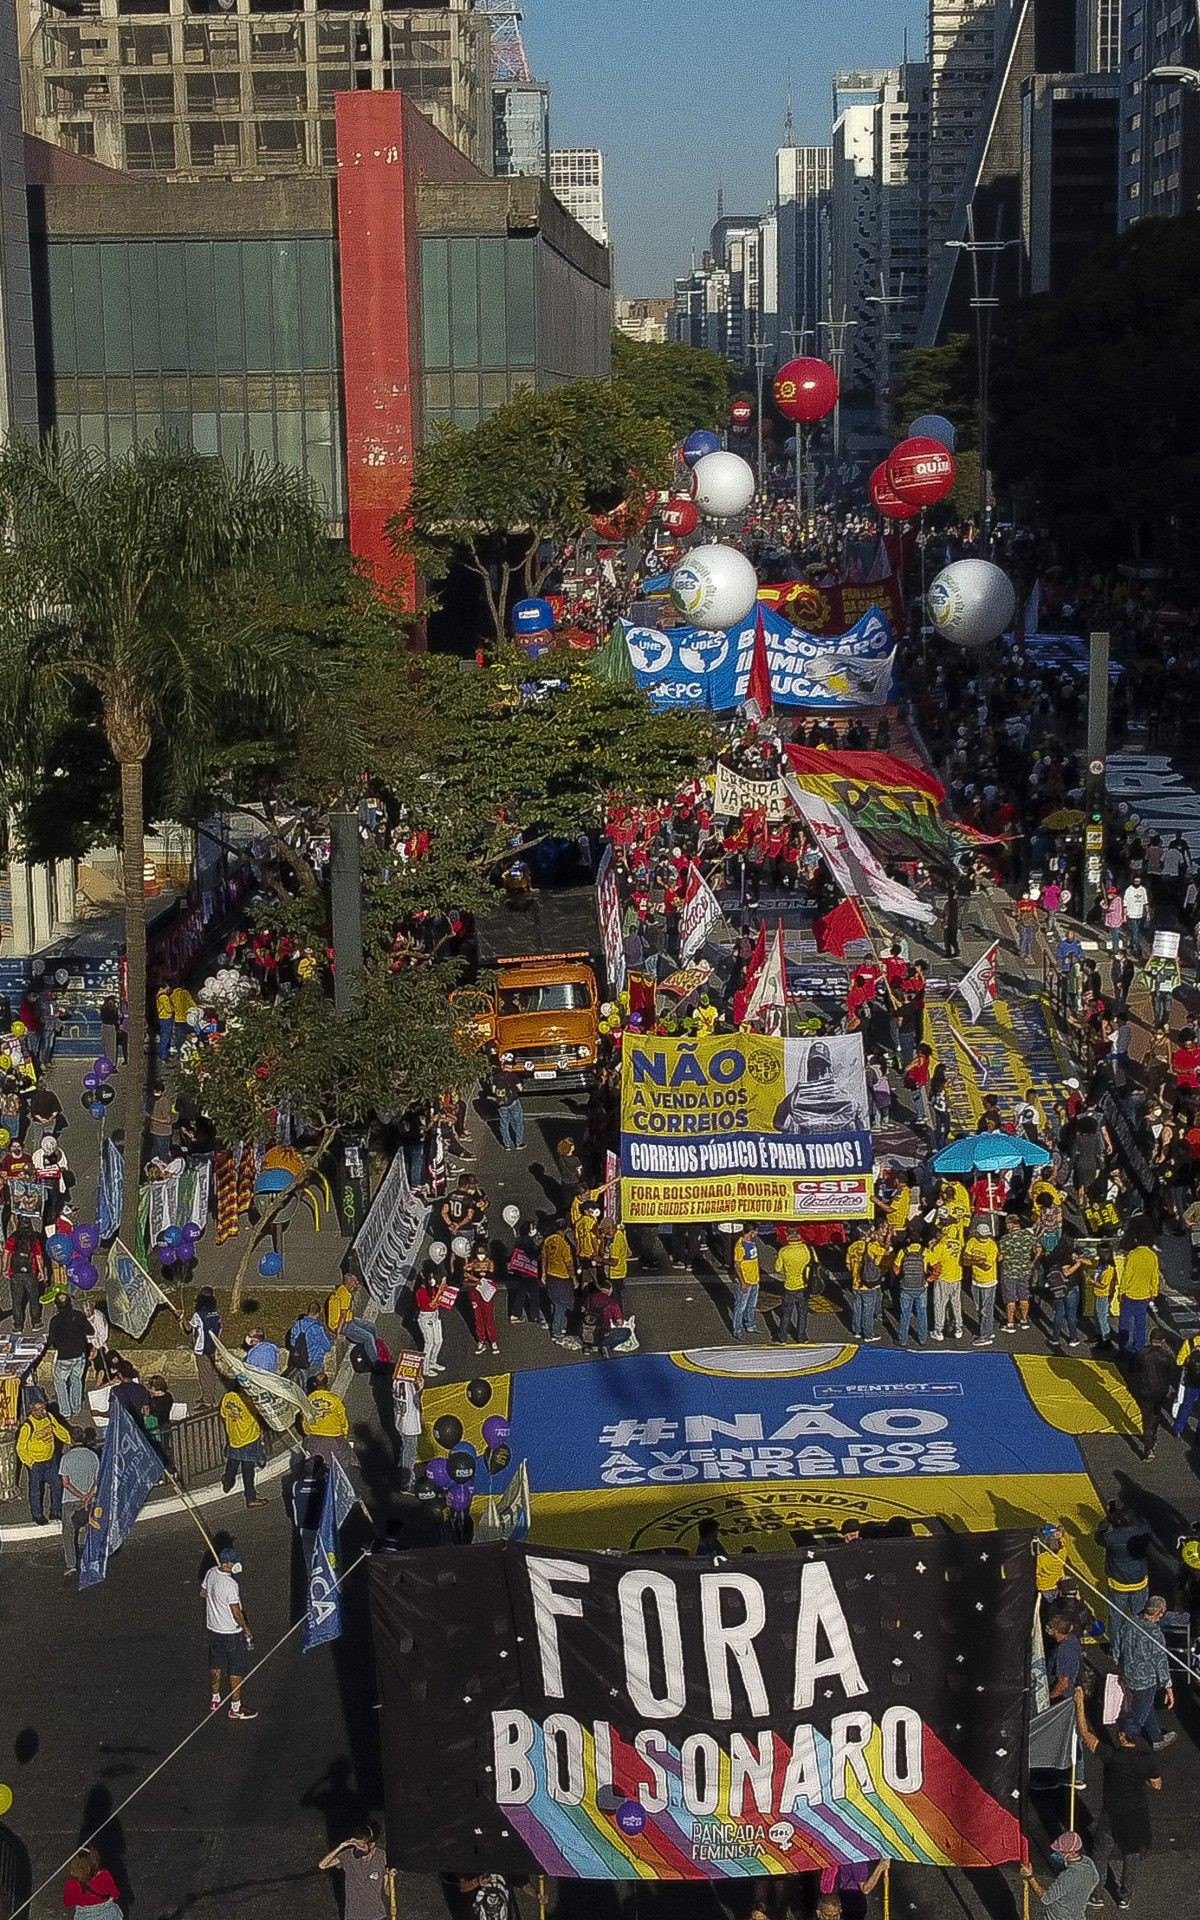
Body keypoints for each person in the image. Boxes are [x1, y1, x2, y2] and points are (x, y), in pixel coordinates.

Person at [1073, 1686, 1161, 1911]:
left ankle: (1097, 1894)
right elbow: (1157, 1784)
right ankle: (1124, 1896)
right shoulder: (1146, 1759)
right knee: (1131, 1854)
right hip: (1136, 1814)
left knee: (1100, 1853)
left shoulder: (1112, 1756)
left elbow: (1085, 1733)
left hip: (1111, 1813)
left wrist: (1079, 1703)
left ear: (1122, 1735)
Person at [201, 1541, 257, 1720]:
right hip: (231, 1633)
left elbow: (203, 1593)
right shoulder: (230, 1584)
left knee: (216, 1664)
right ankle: (235, 1707)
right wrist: (246, 1629)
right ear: (230, 1564)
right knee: (236, 1669)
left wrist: (215, 1597)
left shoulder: (211, 1573)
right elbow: (236, 1612)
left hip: (213, 1629)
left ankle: (215, 1698)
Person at [1117, 1594, 1176, 1752]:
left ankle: (1157, 1738)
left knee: (1146, 1707)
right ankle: (1125, 1744)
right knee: (1138, 1716)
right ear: (1159, 1613)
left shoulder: (1129, 1623)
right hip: (1145, 1680)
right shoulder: (1155, 1634)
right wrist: (1168, 1686)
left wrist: (1120, 1666)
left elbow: (1119, 1645)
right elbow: (1160, 1662)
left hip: (1129, 1674)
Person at [1097, 1501, 1151, 1665]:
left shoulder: (1111, 1538)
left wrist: (1107, 1520)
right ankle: (1139, 1649)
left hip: (1118, 1584)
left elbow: (1098, 1537)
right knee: (1140, 1618)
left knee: (1115, 1619)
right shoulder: (1143, 1531)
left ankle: (1116, 1653)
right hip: (1139, 1582)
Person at [16, 1395, 70, 1522]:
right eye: (39, 1409)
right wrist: (30, 1462)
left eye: (44, 1408)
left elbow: (58, 1429)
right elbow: (20, 1447)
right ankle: (37, 1515)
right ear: (32, 1411)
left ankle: (55, 1512)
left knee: (57, 1485)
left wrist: (69, 1439)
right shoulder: (27, 1426)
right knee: (36, 1490)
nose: (43, 1411)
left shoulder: (49, 1417)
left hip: (50, 1460)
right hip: (36, 1463)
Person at [1019, 1832, 1099, 1917]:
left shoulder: (1068, 1876)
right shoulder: (1088, 1862)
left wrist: (1030, 1876)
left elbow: (1046, 1898)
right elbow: (1096, 1879)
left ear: (1072, 1852)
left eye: (1061, 1851)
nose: (1058, 1853)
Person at [317, 1824, 387, 1920]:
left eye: (361, 1845)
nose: (358, 1848)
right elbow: (322, 1865)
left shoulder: (382, 1856)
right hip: (353, 1915)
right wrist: (342, 1845)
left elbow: (387, 1890)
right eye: (356, 1844)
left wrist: (390, 1876)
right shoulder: (348, 1856)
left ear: (372, 1844)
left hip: (376, 1915)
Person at [1128, 1332, 1178, 1462]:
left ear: (1150, 1339)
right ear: (1163, 1340)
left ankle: (1148, 1447)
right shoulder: (1167, 1356)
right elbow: (1173, 1375)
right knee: (1156, 1414)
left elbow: (1132, 1369)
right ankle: (1153, 1436)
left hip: (1145, 1390)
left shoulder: (1142, 1353)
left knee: (1147, 1417)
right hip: (1161, 1391)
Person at [59, 1436, 99, 1580]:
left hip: (70, 1501)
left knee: (68, 1533)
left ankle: (71, 1565)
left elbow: (66, 1483)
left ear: (71, 1441)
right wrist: (89, 1495)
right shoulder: (93, 1456)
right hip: (89, 1502)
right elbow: (98, 1479)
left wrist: (80, 1496)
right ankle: (91, 1560)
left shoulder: (66, 1458)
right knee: (90, 1530)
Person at [1111, 1238, 1160, 1355]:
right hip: (1144, 1296)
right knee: (1140, 1324)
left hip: (1130, 1296)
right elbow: (1155, 1277)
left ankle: (1124, 1348)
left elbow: (1127, 1275)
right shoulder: (1153, 1256)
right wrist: (1154, 1292)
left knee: (1124, 1323)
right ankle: (1139, 1348)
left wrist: (1121, 1291)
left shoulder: (1133, 1255)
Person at [219, 1390, 267, 1507]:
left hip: (235, 1437)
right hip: (249, 1438)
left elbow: (224, 1415)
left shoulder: (228, 1397)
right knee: (248, 1471)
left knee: (232, 1462)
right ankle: (250, 1498)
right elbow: (261, 1413)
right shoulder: (249, 1401)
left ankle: (228, 1482)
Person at [47, 1294, 92, 1418]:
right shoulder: (78, 1315)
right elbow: (90, 1330)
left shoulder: (55, 1320)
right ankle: (76, 1407)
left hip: (65, 1356)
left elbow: (50, 1340)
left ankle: (65, 1411)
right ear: (70, 1303)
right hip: (80, 1354)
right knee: (76, 1380)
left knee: (60, 1382)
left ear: (57, 1306)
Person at [999, 1208, 1039, 1333]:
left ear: (1011, 1224)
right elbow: (1038, 1250)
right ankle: (1024, 1320)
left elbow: (1000, 1258)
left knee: (1010, 1299)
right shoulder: (1028, 1235)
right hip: (1025, 1271)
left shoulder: (1005, 1239)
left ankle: (1010, 1323)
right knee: (1024, 1296)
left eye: (1007, 1224)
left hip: (1009, 1272)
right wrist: (1032, 1262)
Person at [541, 1221, 577, 1345]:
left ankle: (557, 1325)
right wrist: (574, 1278)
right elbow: (569, 1264)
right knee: (562, 1305)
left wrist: (543, 1273)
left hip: (550, 1274)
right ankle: (557, 1331)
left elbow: (544, 1257)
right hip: (562, 1277)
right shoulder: (564, 1244)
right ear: (565, 1229)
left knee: (554, 1302)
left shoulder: (548, 1240)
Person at [963, 1219, 998, 1345]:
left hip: (988, 1282)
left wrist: (973, 1259)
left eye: (986, 1235)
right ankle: (987, 1330)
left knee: (986, 1310)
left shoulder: (992, 1245)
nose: (984, 1238)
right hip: (975, 1280)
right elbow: (965, 1260)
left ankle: (985, 1336)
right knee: (979, 1308)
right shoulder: (972, 1241)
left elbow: (987, 1266)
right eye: (982, 1235)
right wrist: (979, 1261)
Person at [62, 1847, 122, 1919]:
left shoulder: (71, 1883)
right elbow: (115, 1894)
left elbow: (68, 1904)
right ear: (95, 1860)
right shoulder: (104, 1875)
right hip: (108, 1914)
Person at [188, 1286, 223, 1408]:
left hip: (202, 1349)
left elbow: (188, 1328)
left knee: (205, 1376)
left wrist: (181, 1319)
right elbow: (220, 1328)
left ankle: (208, 1401)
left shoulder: (198, 1315)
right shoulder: (216, 1313)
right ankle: (207, 1396)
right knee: (210, 1374)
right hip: (213, 1347)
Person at [774, 1234, 811, 1343]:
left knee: (786, 1313)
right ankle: (801, 1337)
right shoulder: (805, 1249)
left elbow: (777, 1268)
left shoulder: (784, 1251)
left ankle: (782, 1337)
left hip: (789, 1285)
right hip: (803, 1285)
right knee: (802, 1313)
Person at [414, 1266, 452, 1374]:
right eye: (430, 1278)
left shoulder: (433, 1288)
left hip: (435, 1315)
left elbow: (440, 1296)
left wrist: (443, 1286)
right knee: (429, 1343)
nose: (432, 1280)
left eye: (432, 1277)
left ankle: (432, 1361)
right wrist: (440, 1291)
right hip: (425, 1318)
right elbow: (430, 1305)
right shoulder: (420, 1292)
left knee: (438, 1341)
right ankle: (425, 1369)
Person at [895, 1233, 929, 1346]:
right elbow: (937, 1266)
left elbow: (896, 1268)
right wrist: (928, 1279)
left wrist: (902, 1278)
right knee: (922, 1314)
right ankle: (922, 1339)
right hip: (921, 1287)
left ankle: (903, 1340)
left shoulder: (903, 1252)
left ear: (908, 1240)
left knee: (905, 1314)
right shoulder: (925, 1251)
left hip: (906, 1288)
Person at [730, 1225, 762, 1340]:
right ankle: (737, 1329)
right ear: (751, 1232)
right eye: (755, 1231)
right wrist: (742, 1282)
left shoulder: (751, 1242)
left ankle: (750, 1325)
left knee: (751, 1305)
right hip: (746, 1281)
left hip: (754, 1279)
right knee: (741, 1306)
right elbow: (737, 1265)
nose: (756, 1234)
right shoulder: (740, 1246)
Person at [493, 1067, 526, 1152]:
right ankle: (519, 1143)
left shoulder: (496, 1077)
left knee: (504, 1124)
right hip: (513, 1102)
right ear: (510, 1067)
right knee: (518, 1122)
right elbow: (520, 1088)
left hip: (501, 1104)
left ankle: (507, 1145)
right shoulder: (513, 1075)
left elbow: (493, 1090)